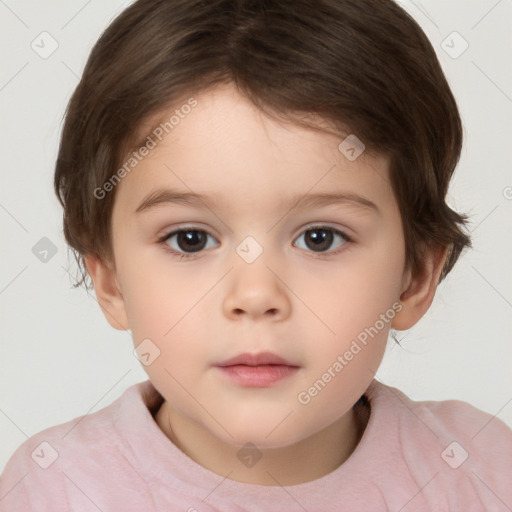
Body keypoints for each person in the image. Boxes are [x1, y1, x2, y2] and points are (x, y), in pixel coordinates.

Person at [1, 0, 511, 510]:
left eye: (320, 238)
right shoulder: (58, 489)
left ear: (415, 276)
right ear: (109, 280)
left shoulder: (480, 471)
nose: (255, 296)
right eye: (190, 239)